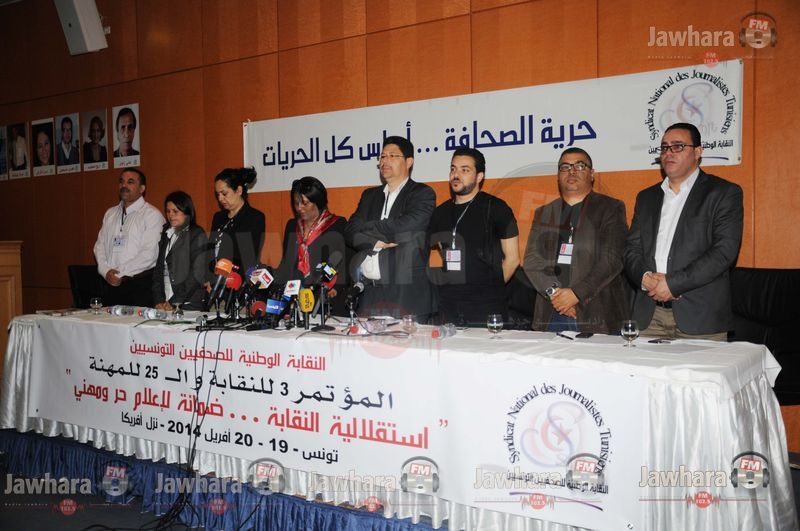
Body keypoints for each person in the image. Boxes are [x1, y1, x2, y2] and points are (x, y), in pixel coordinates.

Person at [624, 122, 743, 340]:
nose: (668, 152)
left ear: (698, 152)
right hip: (649, 315)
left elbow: (724, 252)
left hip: (701, 317)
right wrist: (645, 278)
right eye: (664, 147)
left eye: (678, 146)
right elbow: (631, 249)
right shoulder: (646, 197)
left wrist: (673, 284)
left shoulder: (723, 193)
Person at [524, 147, 629, 334]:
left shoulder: (610, 208)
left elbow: (612, 259)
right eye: (565, 167)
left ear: (592, 174)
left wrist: (576, 294)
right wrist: (556, 295)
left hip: (597, 312)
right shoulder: (544, 213)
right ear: (558, 176)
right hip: (552, 312)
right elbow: (533, 261)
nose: (571, 171)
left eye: (579, 166)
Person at [344, 136, 435, 320]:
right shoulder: (369, 195)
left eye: (392, 156)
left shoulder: (422, 193)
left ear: (409, 162)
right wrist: (375, 242)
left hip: (406, 295)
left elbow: (407, 227)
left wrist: (367, 228)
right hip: (369, 293)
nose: (385, 161)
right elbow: (350, 231)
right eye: (383, 156)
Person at [428, 148, 519, 326]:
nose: (456, 175)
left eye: (465, 170)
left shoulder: (497, 208)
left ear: (479, 177)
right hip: (448, 306)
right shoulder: (440, 212)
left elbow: (513, 259)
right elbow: (438, 247)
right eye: (453, 169)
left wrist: (490, 290)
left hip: (486, 307)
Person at [94, 169, 165, 306]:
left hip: (139, 287)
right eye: (121, 182)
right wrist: (105, 271)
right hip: (109, 284)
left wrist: (119, 273)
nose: (124, 185)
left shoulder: (152, 215)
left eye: (130, 182)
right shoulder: (110, 213)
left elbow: (150, 254)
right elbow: (99, 246)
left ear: (142, 189)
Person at [276, 176, 347, 292]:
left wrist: (336, 288)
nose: (299, 208)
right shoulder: (292, 226)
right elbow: (286, 264)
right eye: (296, 203)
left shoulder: (337, 225)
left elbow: (343, 265)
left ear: (318, 202)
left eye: (305, 203)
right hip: (294, 291)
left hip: (326, 292)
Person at [152, 191, 208, 312]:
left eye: (175, 211)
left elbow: (196, 274)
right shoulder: (166, 233)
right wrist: (159, 300)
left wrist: (174, 301)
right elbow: (158, 270)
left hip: (189, 303)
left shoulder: (196, 234)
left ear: (187, 212)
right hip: (166, 301)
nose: (171, 215)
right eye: (168, 211)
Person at [209, 167, 265, 277]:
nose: (220, 199)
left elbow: (248, 257)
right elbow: (209, 251)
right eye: (218, 194)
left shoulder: (254, 218)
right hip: (214, 279)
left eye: (224, 194)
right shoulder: (218, 218)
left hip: (238, 278)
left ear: (239, 190)